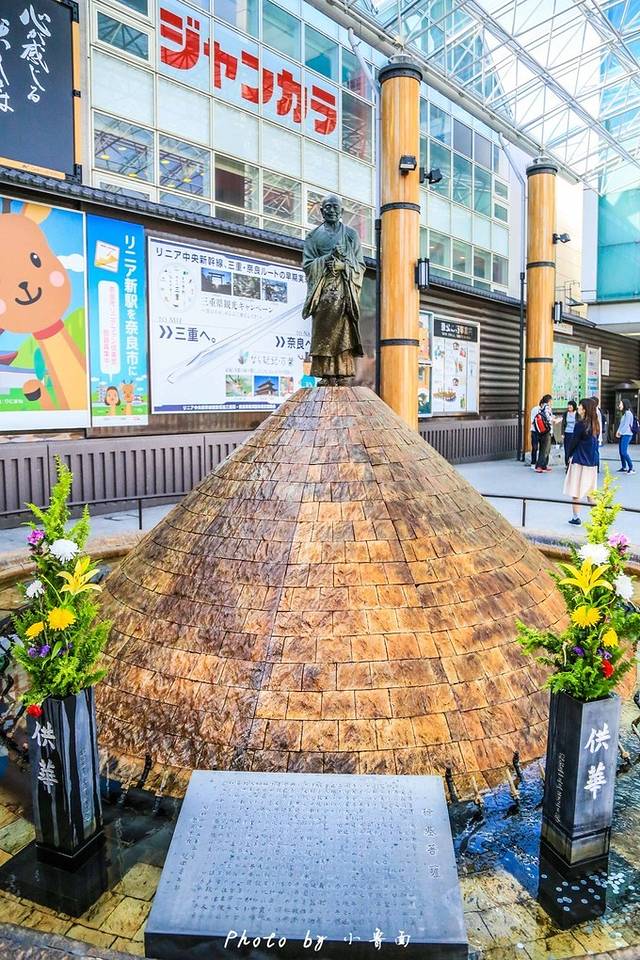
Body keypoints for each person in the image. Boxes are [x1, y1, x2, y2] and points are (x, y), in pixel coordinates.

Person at [302, 195, 365, 384]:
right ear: (321, 211)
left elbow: (360, 265)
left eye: (335, 207)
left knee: (344, 331)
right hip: (323, 291)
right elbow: (308, 265)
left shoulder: (351, 234)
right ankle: (326, 374)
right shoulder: (313, 236)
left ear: (342, 211)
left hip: (344, 291)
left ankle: (342, 373)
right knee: (323, 331)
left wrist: (343, 266)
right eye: (327, 207)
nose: (331, 210)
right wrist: (327, 260)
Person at [564, 397, 600, 525]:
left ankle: (576, 517)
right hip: (592, 462)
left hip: (579, 459)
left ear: (584, 409)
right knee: (591, 492)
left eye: (580, 405)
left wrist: (568, 455)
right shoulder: (595, 424)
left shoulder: (580, 425)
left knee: (576, 490)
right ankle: (597, 519)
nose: (578, 407)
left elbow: (574, 442)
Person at [534, 394, 554, 472]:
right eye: (551, 400)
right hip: (547, 431)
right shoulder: (547, 407)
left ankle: (544, 465)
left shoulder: (541, 407)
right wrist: (555, 420)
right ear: (549, 401)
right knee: (545, 449)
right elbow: (548, 418)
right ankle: (539, 466)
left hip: (543, 430)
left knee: (544, 448)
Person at [616, 399, 635, 474]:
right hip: (623, 434)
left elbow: (626, 425)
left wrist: (620, 432)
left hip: (627, 434)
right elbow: (621, 425)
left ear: (624, 404)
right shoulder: (625, 414)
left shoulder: (628, 413)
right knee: (621, 452)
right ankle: (624, 467)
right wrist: (618, 431)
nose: (619, 405)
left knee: (623, 452)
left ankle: (631, 468)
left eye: (620, 404)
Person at [561, 400, 578, 468]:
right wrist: (562, 433)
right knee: (567, 449)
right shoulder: (566, 413)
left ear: (574, 406)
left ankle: (573, 463)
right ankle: (567, 464)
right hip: (567, 433)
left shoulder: (577, 414)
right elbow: (563, 424)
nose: (569, 407)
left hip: (575, 433)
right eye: (568, 405)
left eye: (571, 405)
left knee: (574, 449)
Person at [529, 401, 540, 467]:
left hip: (534, 430)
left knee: (534, 447)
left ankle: (533, 462)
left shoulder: (534, 409)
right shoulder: (544, 409)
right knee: (539, 448)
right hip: (540, 431)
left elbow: (532, 420)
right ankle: (537, 463)